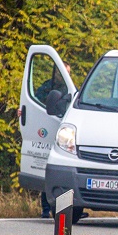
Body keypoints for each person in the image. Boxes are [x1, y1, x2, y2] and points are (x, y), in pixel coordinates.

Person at [35, 63, 71, 218]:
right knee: (48, 171)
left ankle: (67, 209)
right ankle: (45, 210)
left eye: (68, 72)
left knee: (65, 172)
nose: (65, 75)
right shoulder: (47, 87)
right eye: (64, 72)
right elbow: (36, 103)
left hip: (65, 135)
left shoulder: (70, 88)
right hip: (49, 129)